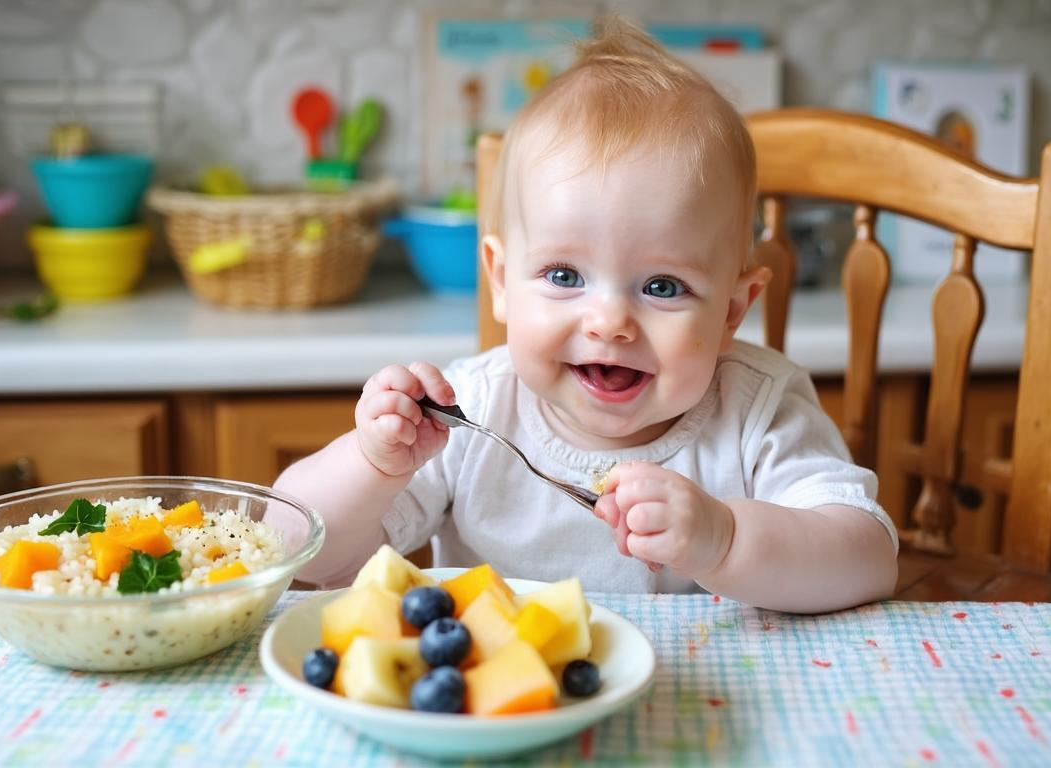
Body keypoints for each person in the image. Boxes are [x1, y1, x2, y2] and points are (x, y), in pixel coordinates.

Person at [269, 16, 897, 612]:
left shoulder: (758, 413)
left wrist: (725, 538)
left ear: (733, 309)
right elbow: (295, 547)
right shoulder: (475, 412)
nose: (610, 322)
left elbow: (868, 558)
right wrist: (373, 463)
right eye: (565, 276)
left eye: (662, 285)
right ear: (501, 283)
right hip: (504, 703)